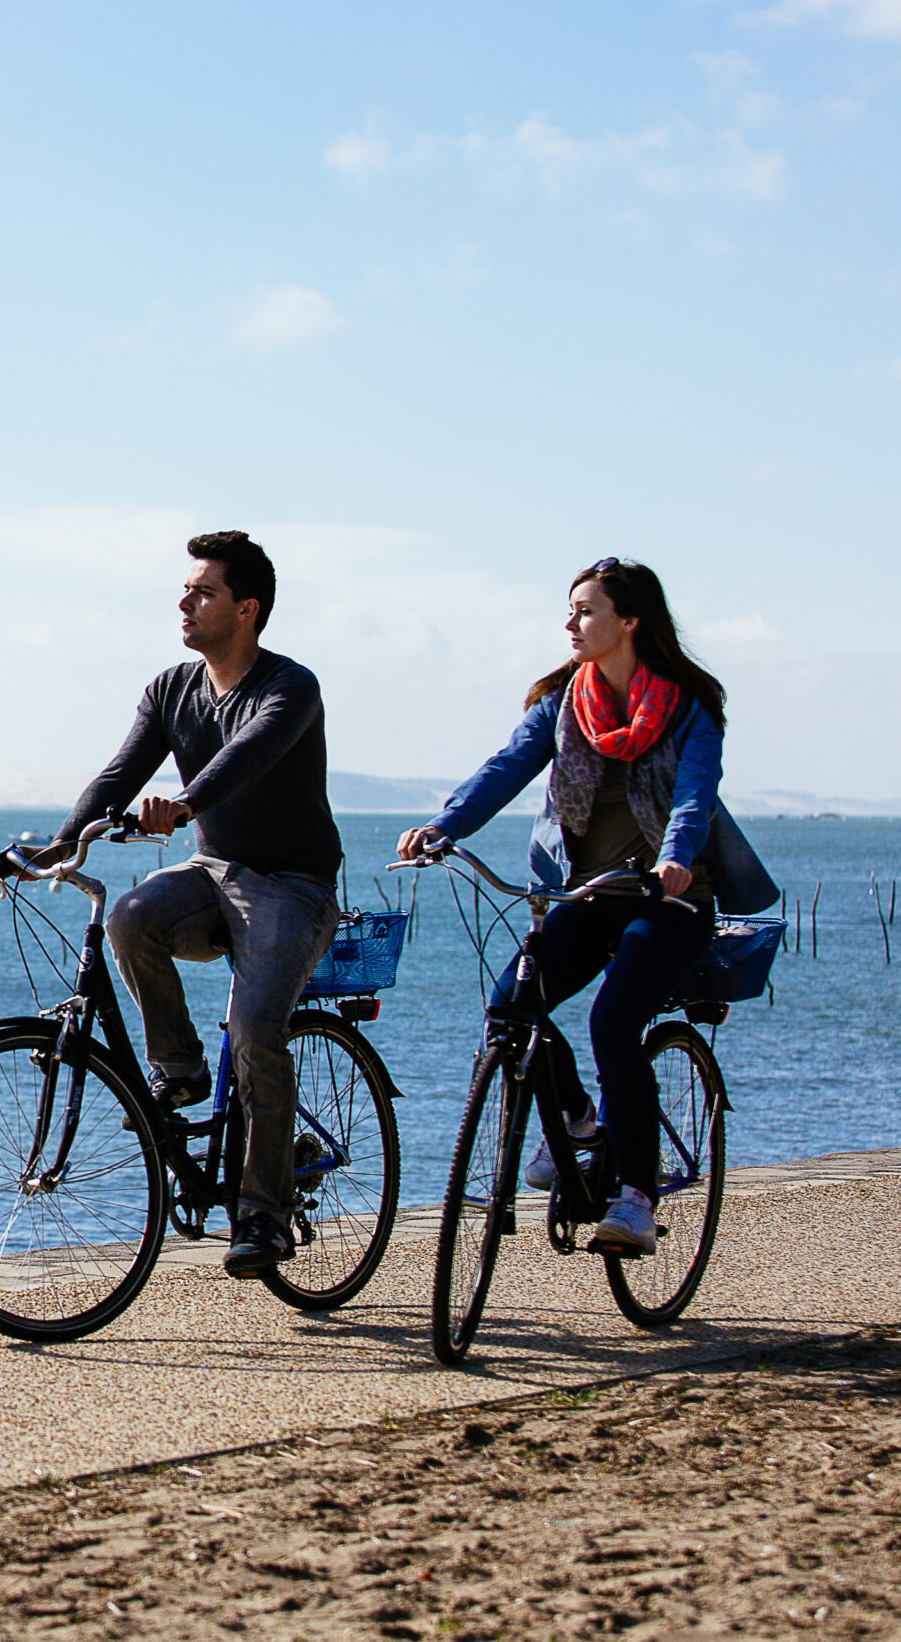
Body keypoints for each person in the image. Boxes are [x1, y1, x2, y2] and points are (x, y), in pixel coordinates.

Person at [397, 558, 776, 1255]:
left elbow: (694, 793)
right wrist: (444, 827)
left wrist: (677, 859)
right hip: (586, 890)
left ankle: (635, 1194)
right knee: (510, 1003)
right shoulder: (566, 702)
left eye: (586, 611)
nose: (570, 624)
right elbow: (507, 767)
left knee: (612, 1020)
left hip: (671, 900)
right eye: (570, 611)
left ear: (630, 620)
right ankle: (574, 1118)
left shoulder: (690, 706)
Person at [42, 530, 344, 1279]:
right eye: (185, 588)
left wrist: (183, 803)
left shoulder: (290, 686)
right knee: (129, 914)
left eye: (203, 591)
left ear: (247, 608)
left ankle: (265, 1216)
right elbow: (119, 775)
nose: (185, 600)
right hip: (213, 870)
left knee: (252, 1031)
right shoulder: (169, 688)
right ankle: (178, 1069)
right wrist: (57, 846)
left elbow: (248, 757)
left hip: (291, 885)